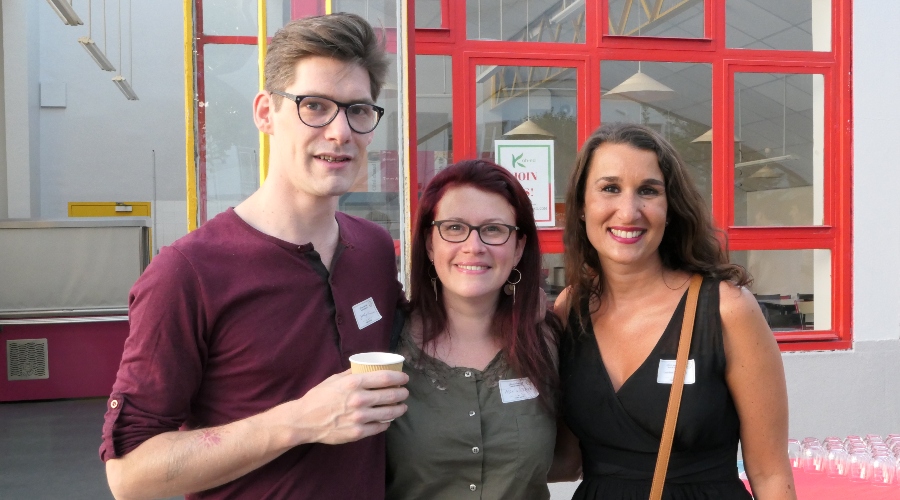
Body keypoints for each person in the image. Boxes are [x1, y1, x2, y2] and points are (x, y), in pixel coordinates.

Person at [99, 13, 409, 500]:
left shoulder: (371, 248)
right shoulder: (189, 272)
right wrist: (298, 421)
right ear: (266, 112)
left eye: (358, 110)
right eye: (316, 106)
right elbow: (130, 475)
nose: (339, 131)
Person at [554, 123, 796, 499]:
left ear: (670, 209)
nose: (628, 210)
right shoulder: (570, 309)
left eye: (648, 191)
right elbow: (566, 459)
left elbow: (769, 472)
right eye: (610, 188)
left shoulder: (726, 309)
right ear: (582, 207)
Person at [385, 160, 563, 499]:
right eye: (454, 228)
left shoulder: (549, 341)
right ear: (429, 243)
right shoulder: (388, 346)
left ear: (519, 247)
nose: (474, 246)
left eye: (494, 230)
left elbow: (572, 459)